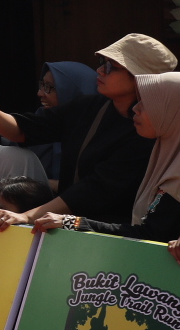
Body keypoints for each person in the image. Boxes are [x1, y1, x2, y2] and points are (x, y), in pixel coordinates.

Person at [0, 34, 176, 229]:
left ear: (141, 78)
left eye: (111, 67)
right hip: (71, 225)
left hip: (116, 232)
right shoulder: (91, 106)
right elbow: (24, 130)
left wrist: (29, 216)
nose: (100, 71)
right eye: (101, 64)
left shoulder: (152, 128)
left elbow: (95, 188)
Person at [26, 72, 180, 242]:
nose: (135, 108)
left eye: (147, 103)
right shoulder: (164, 155)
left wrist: (72, 223)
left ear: (171, 110)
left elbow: (150, 235)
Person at [27, 61, 99, 185]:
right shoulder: (41, 119)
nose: (40, 93)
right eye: (42, 85)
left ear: (74, 92)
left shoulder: (97, 134)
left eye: (49, 87)